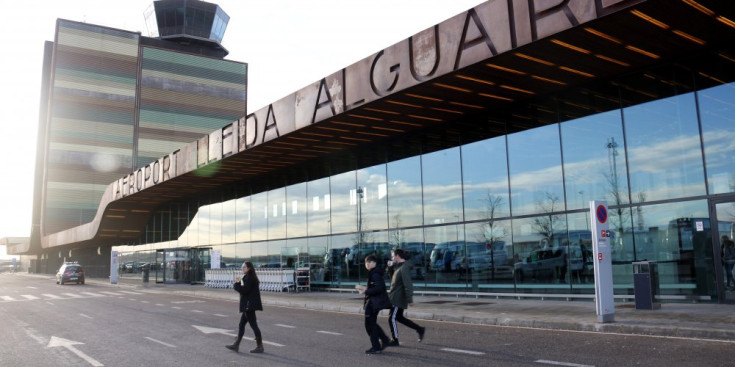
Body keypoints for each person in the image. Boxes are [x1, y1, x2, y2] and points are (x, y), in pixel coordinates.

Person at [386, 248, 425, 347]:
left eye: (393, 256)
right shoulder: (398, 267)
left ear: (398, 256)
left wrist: (409, 299)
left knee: (391, 319)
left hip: (398, 298)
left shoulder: (404, 268)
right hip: (395, 297)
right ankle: (420, 329)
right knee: (399, 318)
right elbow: (393, 281)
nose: (392, 258)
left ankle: (395, 340)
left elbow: (408, 284)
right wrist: (390, 268)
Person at [356, 254, 392, 354]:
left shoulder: (375, 274)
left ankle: (376, 347)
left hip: (373, 303)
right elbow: (376, 287)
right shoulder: (374, 273)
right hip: (373, 302)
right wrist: (366, 290)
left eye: (368, 263)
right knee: (371, 324)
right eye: (365, 263)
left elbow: (380, 288)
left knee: (370, 325)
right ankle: (384, 340)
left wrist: (366, 290)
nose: (366, 265)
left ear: (374, 263)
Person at [226, 261, 264, 353]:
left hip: (249, 306)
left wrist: (236, 286)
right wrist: (239, 281)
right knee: (242, 324)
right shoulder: (247, 277)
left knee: (253, 325)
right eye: (242, 267)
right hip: (248, 305)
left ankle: (259, 346)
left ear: (249, 268)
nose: (242, 268)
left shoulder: (250, 278)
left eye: (244, 267)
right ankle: (236, 344)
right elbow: (244, 285)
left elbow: (245, 290)